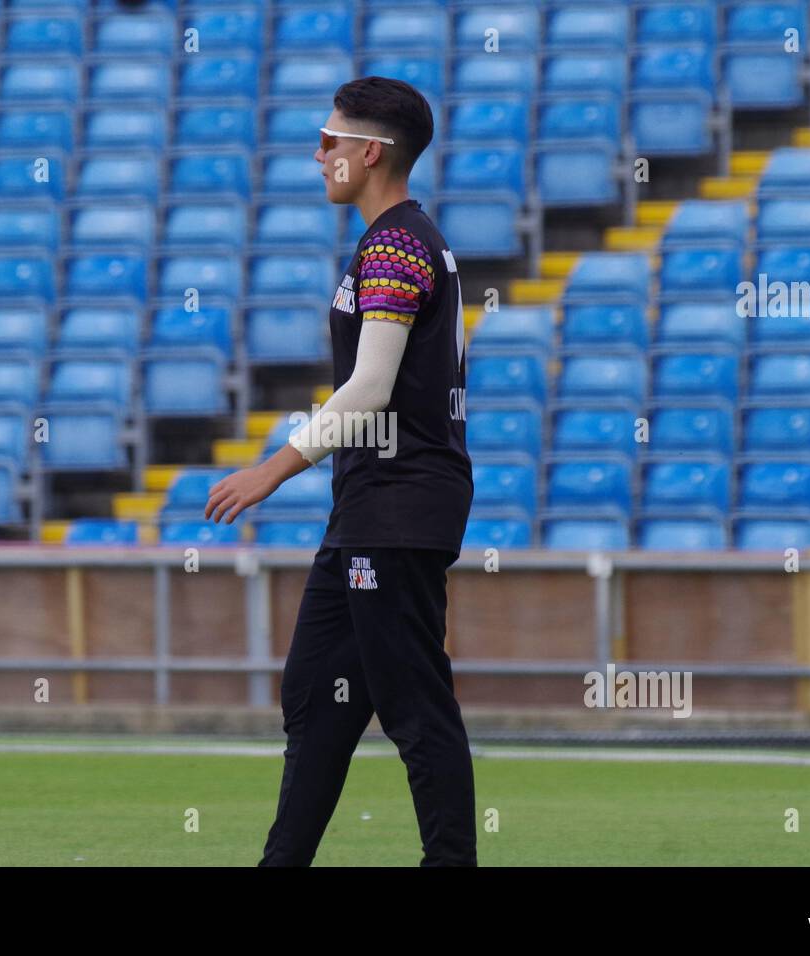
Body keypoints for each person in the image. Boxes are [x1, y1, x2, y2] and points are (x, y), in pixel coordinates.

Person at [205, 76, 476, 867]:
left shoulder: (394, 243)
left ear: (370, 151)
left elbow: (370, 388)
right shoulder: (413, 241)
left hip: (396, 507)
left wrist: (274, 468)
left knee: (414, 705)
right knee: (317, 699)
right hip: (373, 506)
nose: (318, 153)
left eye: (329, 140)